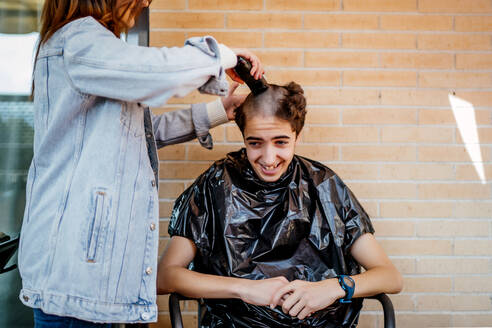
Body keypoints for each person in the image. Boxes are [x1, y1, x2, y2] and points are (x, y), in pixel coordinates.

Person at [17, 0, 265, 326]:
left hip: (94, 284)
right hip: (75, 284)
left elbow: (141, 134)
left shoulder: (91, 50)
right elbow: (157, 70)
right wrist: (222, 55)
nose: (146, 1)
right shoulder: (78, 40)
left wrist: (221, 110)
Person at [157, 82, 403, 327]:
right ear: (243, 136)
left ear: (297, 134)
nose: (268, 158)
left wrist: (334, 287)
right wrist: (245, 288)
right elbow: (165, 277)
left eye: (281, 142)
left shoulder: (322, 185)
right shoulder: (215, 185)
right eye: (254, 143)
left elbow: (390, 276)